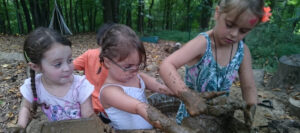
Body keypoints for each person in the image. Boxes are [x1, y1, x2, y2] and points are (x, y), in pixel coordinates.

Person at [159, 0, 270, 125]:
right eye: (229, 24)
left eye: (243, 31)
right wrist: (188, 96)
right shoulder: (203, 44)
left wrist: (250, 108)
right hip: (191, 117)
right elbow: (166, 65)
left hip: (222, 119)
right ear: (217, 13)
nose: (234, 34)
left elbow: (248, 87)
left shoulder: (243, 51)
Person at [98, 24, 195, 132]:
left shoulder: (136, 76)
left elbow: (160, 87)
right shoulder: (109, 91)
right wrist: (174, 128)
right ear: (108, 62)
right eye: (128, 66)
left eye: (138, 64)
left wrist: (186, 96)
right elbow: (138, 107)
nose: (135, 71)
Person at [17, 27, 94, 128]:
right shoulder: (35, 85)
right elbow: (26, 107)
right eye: (58, 64)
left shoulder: (80, 86)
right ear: (36, 67)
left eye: (70, 60)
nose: (67, 68)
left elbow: (88, 119)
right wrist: (20, 127)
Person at [73, 23, 114, 120]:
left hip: (90, 107)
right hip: (111, 108)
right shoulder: (120, 59)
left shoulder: (89, 54)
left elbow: (71, 66)